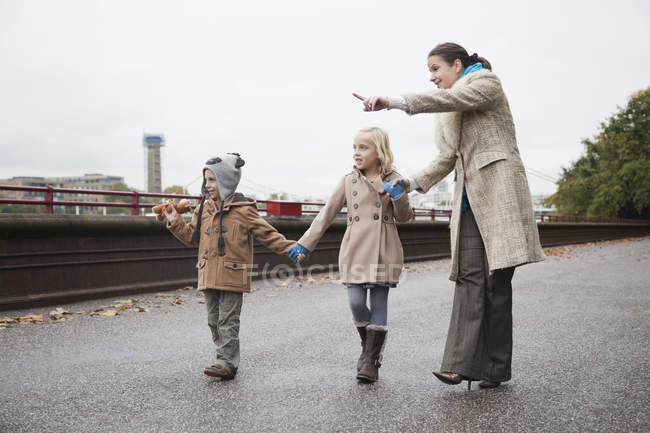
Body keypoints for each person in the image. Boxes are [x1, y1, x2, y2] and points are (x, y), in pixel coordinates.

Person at [353, 42, 545, 389]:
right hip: (469, 201)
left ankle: (495, 368)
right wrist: (410, 183)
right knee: (470, 278)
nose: (432, 77)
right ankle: (457, 365)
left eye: (436, 69)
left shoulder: (487, 83)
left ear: (458, 65)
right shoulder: (447, 109)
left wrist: (394, 101)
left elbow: (453, 99)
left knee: (496, 284)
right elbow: (446, 158)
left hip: (499, 194)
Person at [287, 126, 412, 383]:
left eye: (363, 147)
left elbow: (403, 217)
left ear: (380, 151)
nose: (357, 153)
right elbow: (327, 214)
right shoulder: (349, 180)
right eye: (355, 147)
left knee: (378, 304)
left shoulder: (395, 178)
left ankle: (370, 362)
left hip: (383, 247)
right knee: (356, 303)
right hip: (355, 248)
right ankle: (370, 351)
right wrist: (305, 244)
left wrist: (399, 196)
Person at [163, 153, 298, 380]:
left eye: (213, 179)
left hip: (234, 274)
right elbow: (190, 237)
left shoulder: (244, 210)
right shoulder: (203, 209)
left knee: (228, 320)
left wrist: (291, 249)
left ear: (226, 180)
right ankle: (222, 357)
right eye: (206, 180)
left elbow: (268, 234)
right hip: (208, 273)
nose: (208, 185)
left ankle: (226, 362)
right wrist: (174, 219)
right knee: (213, 320)